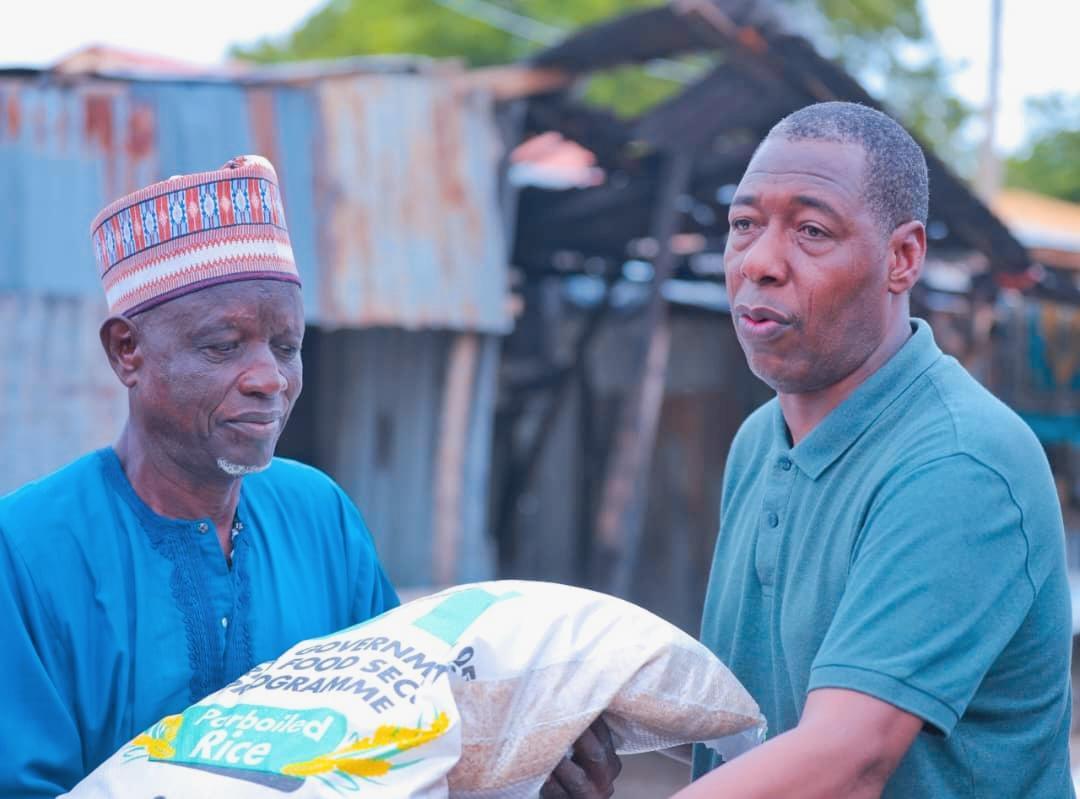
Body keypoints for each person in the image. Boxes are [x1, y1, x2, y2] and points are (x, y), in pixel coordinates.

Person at [1, 156, 618, 798]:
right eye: (223, 347)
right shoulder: (25, 548)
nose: (270, 379)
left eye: (287, 347)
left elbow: (397, 746)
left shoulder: (319, 515)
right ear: (127, 351)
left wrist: (521, 778)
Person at [676, 102, 1074, 798]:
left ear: (902, 258)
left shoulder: (958, 463)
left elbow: (846, 761)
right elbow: (749, 732)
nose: (759, 262)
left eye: (812, 231)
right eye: (744, 224)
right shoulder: (759, 441)